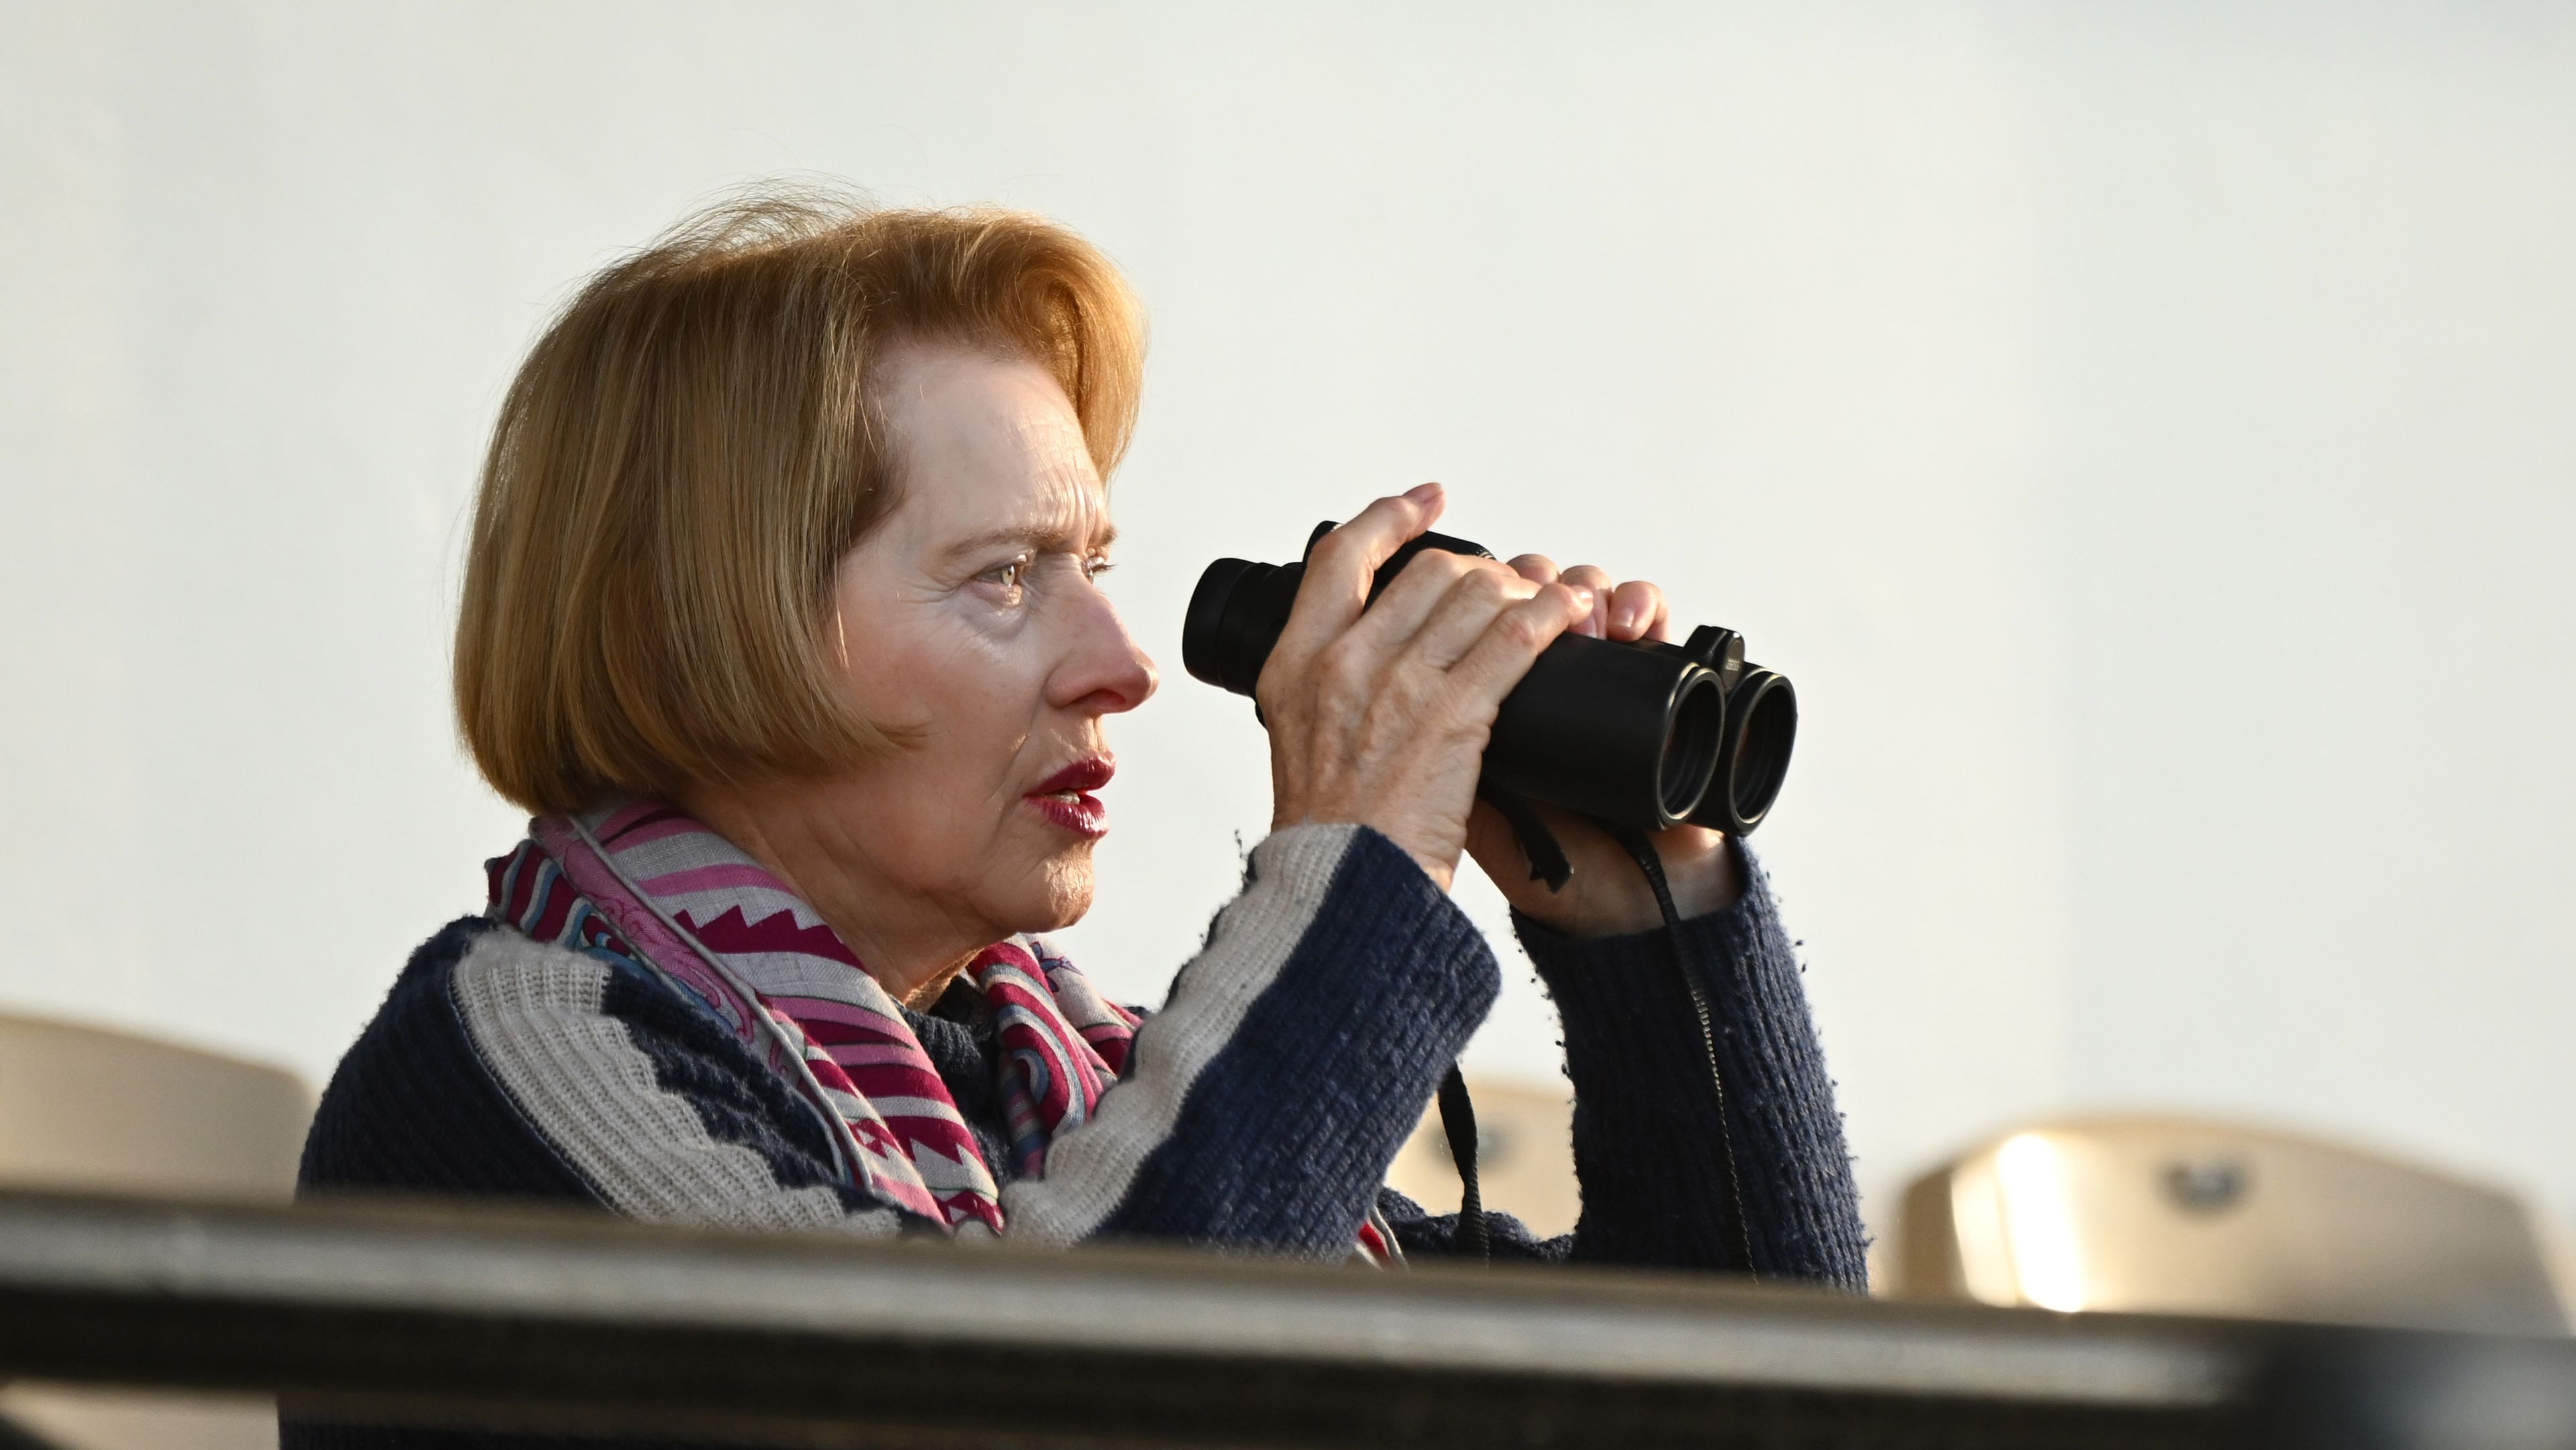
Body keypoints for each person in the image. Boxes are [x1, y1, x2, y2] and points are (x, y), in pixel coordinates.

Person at [288, 191, 1866, 1446]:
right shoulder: (511, 1067)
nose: (1119, 667)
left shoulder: (1044, 1092)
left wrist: (1650, 922)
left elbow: (1753, 1401)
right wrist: (1358, 876)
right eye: (1003, 577)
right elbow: (1032, 1409)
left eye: (1095, 566)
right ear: (703, 630)